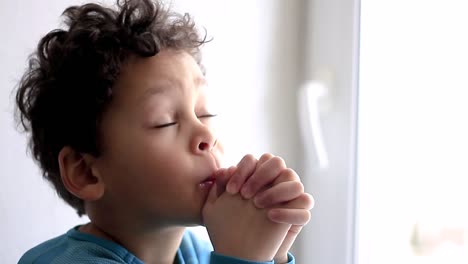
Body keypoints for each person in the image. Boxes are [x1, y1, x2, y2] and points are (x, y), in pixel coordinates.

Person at [14, 0, 314, 263]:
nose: (205, 136)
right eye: (165, 121)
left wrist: (271, 252)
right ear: (86, 172)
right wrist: (243, 259)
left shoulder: (198, 250)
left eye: (204, 113)